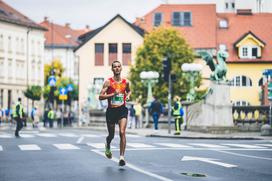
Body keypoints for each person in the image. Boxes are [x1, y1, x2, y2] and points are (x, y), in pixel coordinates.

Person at [99, 60, 131, 167]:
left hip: (122, 109)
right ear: (112, 69)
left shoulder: (126, 82)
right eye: (115, 67)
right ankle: (108, 144)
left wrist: (128, 95)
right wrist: (112, 94)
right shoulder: (108, 82)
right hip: (111, 111)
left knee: (122, 132)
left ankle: (121, 157)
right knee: (111, 135)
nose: (117, 68)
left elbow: (129, 90)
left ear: (121, 68)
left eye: (119, 66)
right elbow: (100, 97)